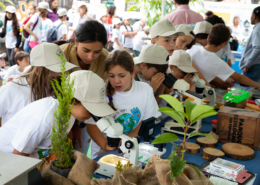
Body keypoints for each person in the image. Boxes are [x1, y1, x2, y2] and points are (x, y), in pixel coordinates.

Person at [0, 70, 115, 158]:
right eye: (91, 108)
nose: (93, 114)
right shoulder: (45, 117)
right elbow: (18, 157)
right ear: (70, 98)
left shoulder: (69, 114)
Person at [86, 50, 161, 159]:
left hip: (131, 148)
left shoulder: (145, 90)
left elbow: (145, 122)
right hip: (103, 153)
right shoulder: (101, 92)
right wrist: (105, 145)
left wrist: (126, 139)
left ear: (133, 73)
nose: (116, 81)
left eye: (122, 76)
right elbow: (91, 125)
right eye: (111, 76)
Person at [0, 43, 78, 127]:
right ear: (38, 71)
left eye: (64, 69)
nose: (62, 74)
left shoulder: (56, 90)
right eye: (57, 70)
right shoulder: (12, 89)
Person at [187, 24, 260, 90]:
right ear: (223, 44)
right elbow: (240, 78)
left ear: (208, 38)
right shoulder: (217, 62)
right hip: (197, 94)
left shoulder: (192, 48)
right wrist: (258, 85)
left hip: (185, 90)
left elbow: (202, 73)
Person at [239, 7, 260, 83]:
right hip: (256, 66)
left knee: (247, 91)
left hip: (253, 67)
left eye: (251, 15)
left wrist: (247, 64)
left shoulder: (258, 28)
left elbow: (258, 48)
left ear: (254, 16)